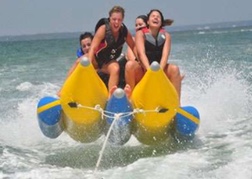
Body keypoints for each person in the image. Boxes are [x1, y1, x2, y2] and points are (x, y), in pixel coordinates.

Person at [125, 9, 183, 102]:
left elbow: (165, 56)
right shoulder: (140, 34)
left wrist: (158, 73)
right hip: (144, 70)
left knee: (174, 69)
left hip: (160, 70)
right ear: (148, 21)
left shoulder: (166, 36)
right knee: (130, 65)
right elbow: (141, 54)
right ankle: (130, 100)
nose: (156, 17)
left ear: (161, 22)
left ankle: (176, 104)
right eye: (153, 16)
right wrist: (149, 72)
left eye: (158, 16)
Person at [88, 5, 137, 97]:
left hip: (108, 63)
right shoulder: (103, 29)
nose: (116, 22)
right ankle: (61, 92)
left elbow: (133, 46)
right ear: (109, 18)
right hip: (95, 60)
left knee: (115, 68)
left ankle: (110, 97)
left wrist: (139, 61)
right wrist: (89, 65)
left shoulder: (124, 32)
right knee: (80, 61)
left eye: (119, 19)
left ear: (122, 20)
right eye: (114, 19)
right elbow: (93, 48)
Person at [57, 32, 93, 96]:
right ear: (81, 48)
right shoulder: (81, 58)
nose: (87, 48)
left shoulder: (99, 53)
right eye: (84, 46)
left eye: (89, 44)